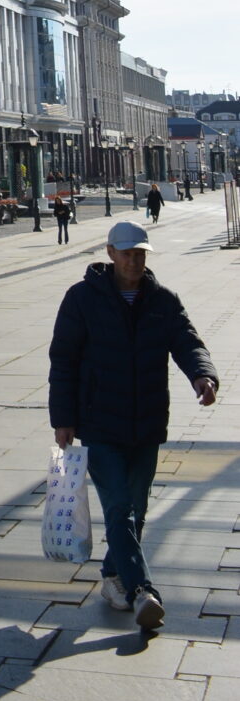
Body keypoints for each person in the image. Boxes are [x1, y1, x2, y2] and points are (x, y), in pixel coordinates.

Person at [49, 218, 219, 633]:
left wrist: (203, 375)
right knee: (120, 506)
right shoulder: (82, 299)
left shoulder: (162, 300)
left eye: (140, 253)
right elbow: (63, 360)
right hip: (99, 422)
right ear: (110, 253)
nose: (133, 261)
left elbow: (187, 341)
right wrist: (64, 419)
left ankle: (113, 577)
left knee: (136, 509)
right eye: (126, 253)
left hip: (146, 422)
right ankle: (143, 591)